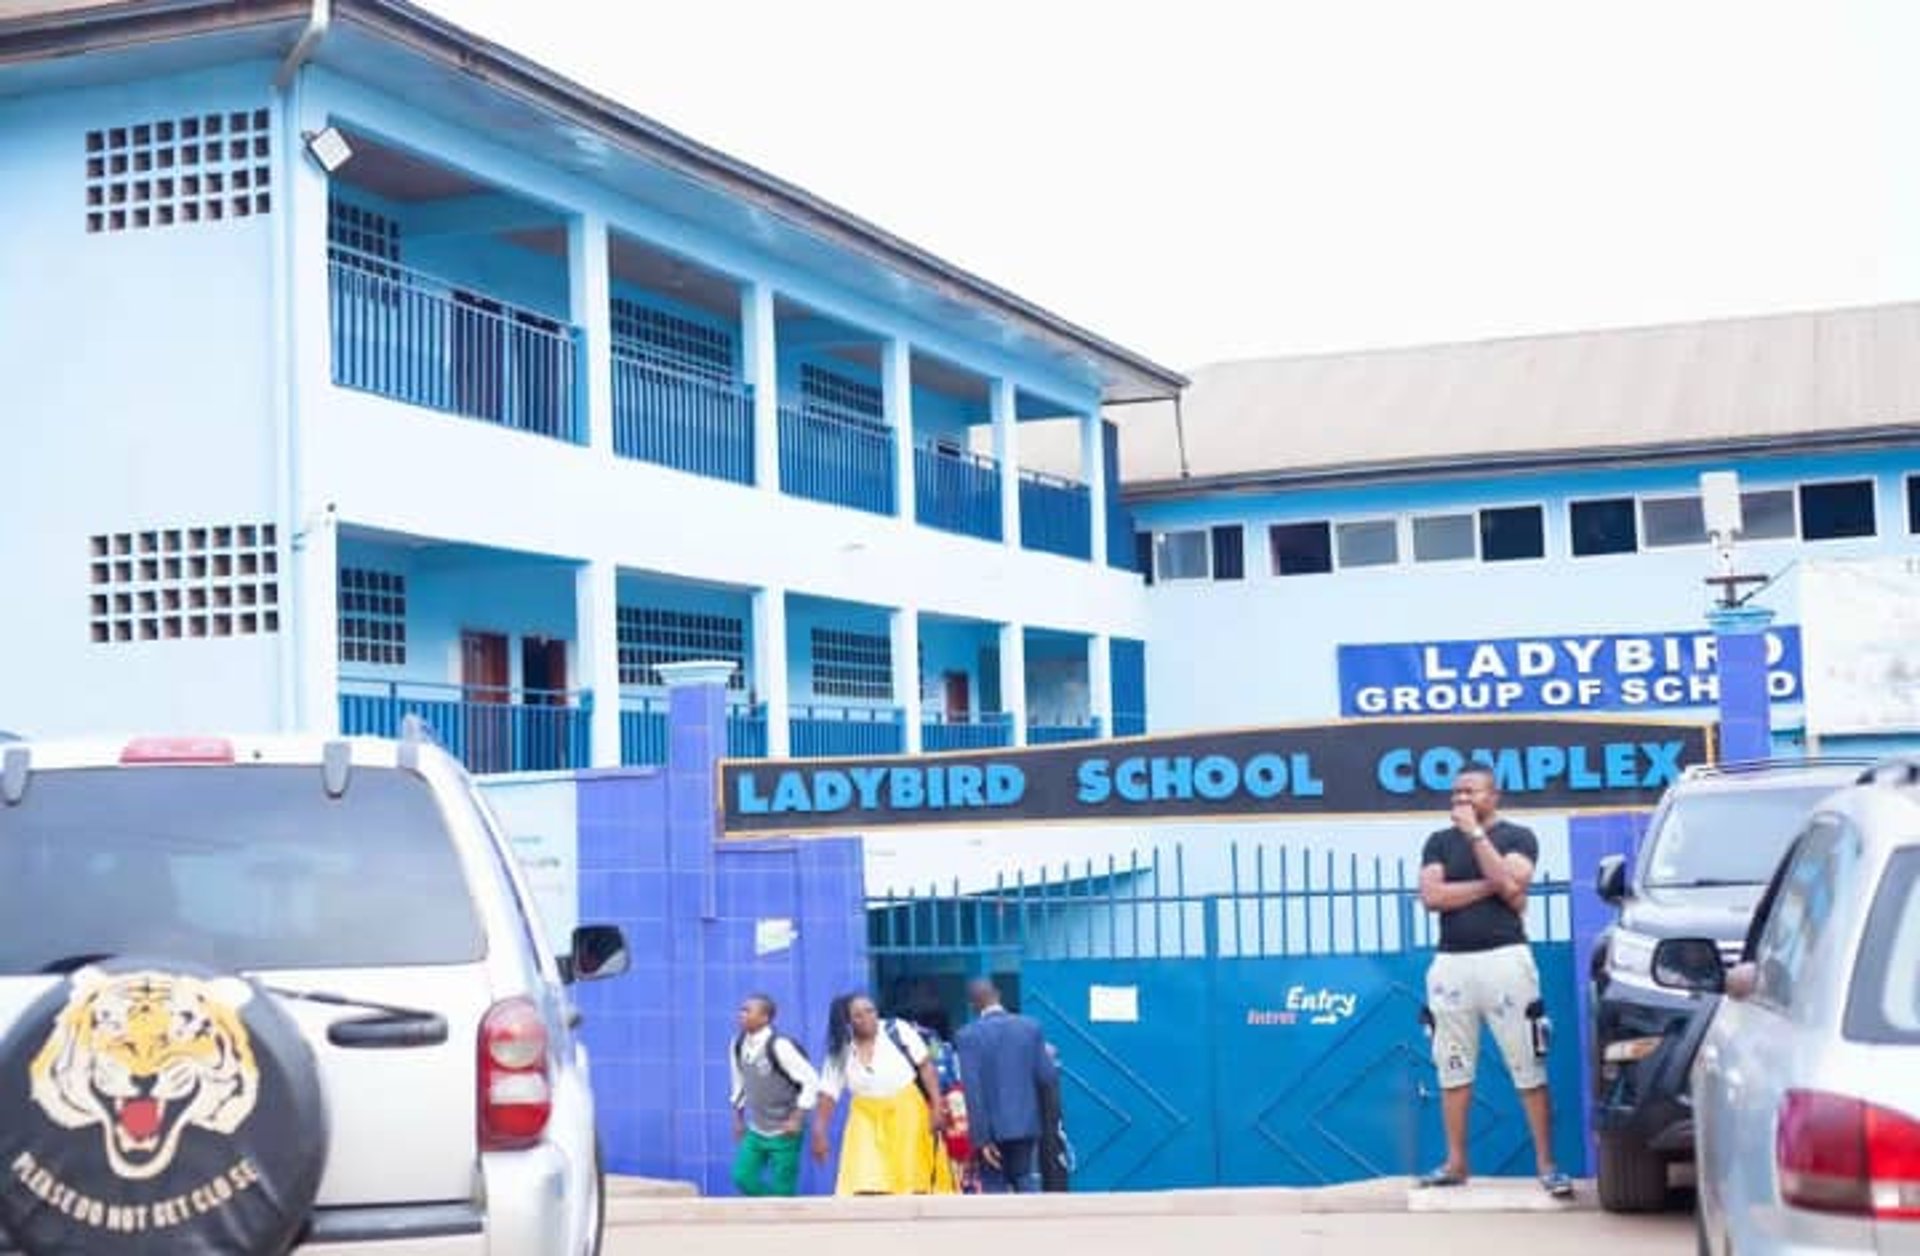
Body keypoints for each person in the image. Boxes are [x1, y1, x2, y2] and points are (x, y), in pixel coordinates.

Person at [1416, 766, 1573, 1198]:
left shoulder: (1518, 836)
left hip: (1506, 962)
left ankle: (1546, 1164)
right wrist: (1497, 885)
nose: (1460, 799)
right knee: (1452, 1066)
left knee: (1527, 1062)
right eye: (1455, 793)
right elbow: (1433, 897)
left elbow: (1516, 878)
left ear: (1494, 795)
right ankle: (1455, 1162)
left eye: (1470, 791)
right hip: (1451, 964)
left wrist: (1477, 839)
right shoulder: (1437, 842)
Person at [810, 992, 955, 1195]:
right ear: (848, 1021)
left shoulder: (897, 1030)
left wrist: (937, 1106)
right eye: (859, 1015)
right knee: (864, 1181)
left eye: (870, 1011)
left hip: (907, 1111)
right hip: (865, 1116)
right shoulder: (841, 1051)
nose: (868, 1018)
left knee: (911, 1179)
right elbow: (828, 1093)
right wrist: (819, 1131)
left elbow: (926, 1066)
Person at [954, 977, 1058, 1193]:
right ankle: (1034, 1224)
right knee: (1025, 1179)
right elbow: (1046, 1076)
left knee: (994, 1186)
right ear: (998, 995)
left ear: (972, 1005)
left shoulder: (967, 1036)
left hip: (991, 1128)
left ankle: (999, 1227)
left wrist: (982, 1138)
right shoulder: (1030, 1027)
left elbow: (973, 1090)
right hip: (1025, 1122)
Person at [727, 993, 820, 1197]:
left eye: (747, 1011)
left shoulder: (779, 1046)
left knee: (783, 1189)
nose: (741, 1014)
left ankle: (783, 1220)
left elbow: (812, 1081)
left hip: (785, 1131)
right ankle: (772, 1207)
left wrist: (796, 1119)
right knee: (743, 1177)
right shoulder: (738, 1044)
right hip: (757, 1129)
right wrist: (738, 1119)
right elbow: (739, 1084)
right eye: (741, 1010)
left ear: (765, 1018)